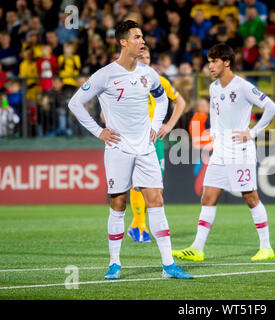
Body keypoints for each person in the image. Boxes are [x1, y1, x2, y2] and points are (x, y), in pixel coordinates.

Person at [67, 20, 193, 280]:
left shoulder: (148, 73)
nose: (142, 41)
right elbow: (75, 103)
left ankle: (168, 265)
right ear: (123, 42)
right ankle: (114, 263)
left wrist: (156, 126)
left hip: (146, 147)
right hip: (118, 148)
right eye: (137, 37)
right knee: (118, 202)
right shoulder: (105, 74)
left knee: (157, 201)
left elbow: (161, 99)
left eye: (143, 36)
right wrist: (99, 131)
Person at [172, 43, 275, 262]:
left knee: (250, 197)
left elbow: (272, 107)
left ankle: (266, 247)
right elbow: (216, 115)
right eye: (209, 61)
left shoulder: (243, 86)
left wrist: (253, 132)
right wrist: (213, 135)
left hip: (240, 151)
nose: (209, 66)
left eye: (214, 61)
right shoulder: (214, 88)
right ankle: (197, 248)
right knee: (208, 197)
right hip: (220, 151)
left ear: (227, 62)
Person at [127, 45, 186, 243]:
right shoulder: (126, 81)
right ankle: (140, 225)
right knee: (137, 184)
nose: (144, 60)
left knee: (156, 188)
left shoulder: (159, 81)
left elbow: (181, 102)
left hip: (156, 140)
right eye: (141, 57)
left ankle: (137, 225)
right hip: (135, 139)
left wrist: (169, 125)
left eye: (148, 57)